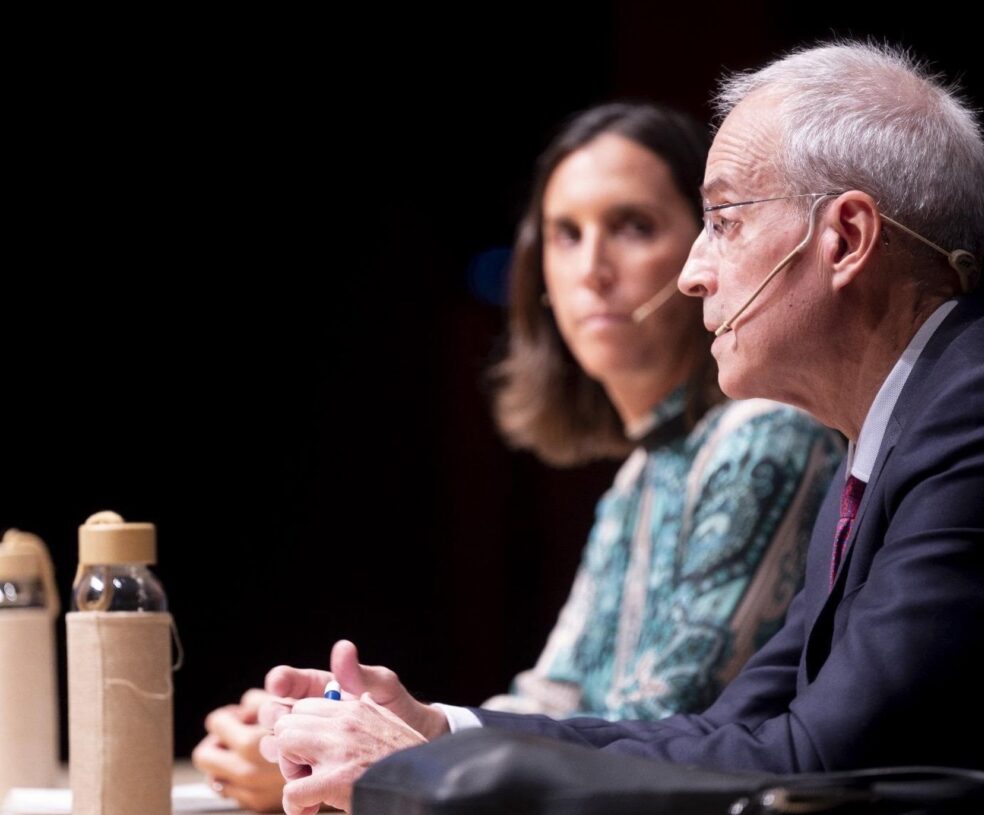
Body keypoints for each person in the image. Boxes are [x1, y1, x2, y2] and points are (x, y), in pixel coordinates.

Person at [258, 42, 984, 814]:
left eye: (720, 221)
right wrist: (439, 724)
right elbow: (735, 727)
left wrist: (428, 768)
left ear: (845, 238)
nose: (690, 275)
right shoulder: (903, 425)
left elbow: (818, 767)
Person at [193, 102, 840, 811]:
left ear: (704, 251)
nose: (591, 268)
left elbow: (657, 719)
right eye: (566, 234)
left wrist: (382, 759)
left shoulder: (764, 435)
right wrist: (324, 730)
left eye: (632, 226)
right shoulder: (640, 472)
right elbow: (554, 695)